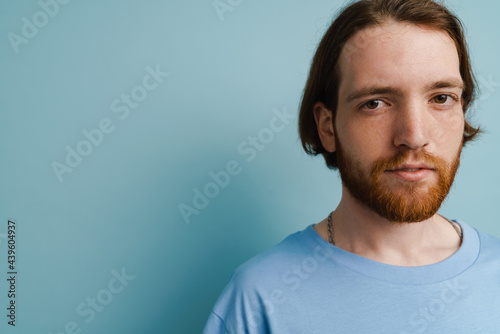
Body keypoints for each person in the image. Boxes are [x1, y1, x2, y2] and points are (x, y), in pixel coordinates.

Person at [202, 0, 500, 333]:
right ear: (328, 127)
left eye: (441, 98)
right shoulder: (259, 299)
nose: (414, 136)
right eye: (375, 103)